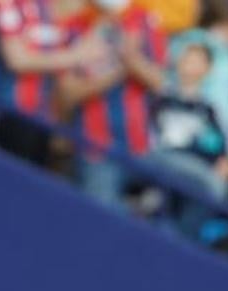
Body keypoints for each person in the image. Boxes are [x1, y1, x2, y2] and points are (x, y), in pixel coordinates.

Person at [58, 0, 167, 207]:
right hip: (95, 147)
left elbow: (160, 81)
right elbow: (67, 94)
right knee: (103, 220)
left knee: (204, 186)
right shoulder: (74, 26)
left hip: (143, 148)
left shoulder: (144, 19)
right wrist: (119, 68)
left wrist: (131, 58)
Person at [0, 0, 108, 162]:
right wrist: (78, 55)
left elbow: (62, 76)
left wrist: (61, 124)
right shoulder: (8, 3)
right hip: (7, 114)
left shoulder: (49, 10)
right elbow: (16, 60)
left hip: (42, 121)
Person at [149, 37, 228, 239]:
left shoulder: (211, 110)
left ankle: (180, 239)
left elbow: (227, 149)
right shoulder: (160, 96)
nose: (190, 65)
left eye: (197, 61)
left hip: (198, 172)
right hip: (163, 158)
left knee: (213, 188)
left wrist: (227, 162)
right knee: (215, 186)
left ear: (208, 69)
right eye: (187, 59)